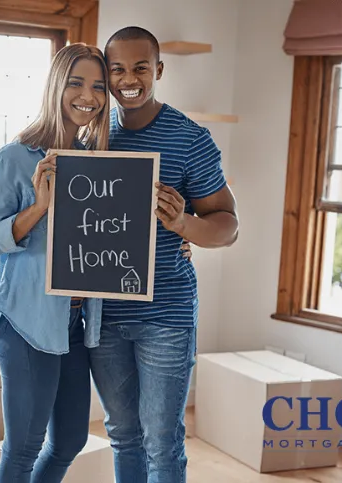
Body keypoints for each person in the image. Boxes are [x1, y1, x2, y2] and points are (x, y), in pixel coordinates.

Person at [86, 26, 240, 483]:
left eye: (140, 67)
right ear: (106, 75)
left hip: (165, 317)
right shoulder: (90, 137)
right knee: (122, 433)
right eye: (117, 69)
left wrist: (184, 225)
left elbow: (228, 226)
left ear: (159, 69)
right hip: (103, 316)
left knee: (161, 442)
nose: (128, 79)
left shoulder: (190, 139)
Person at [0, 42, 110, 483]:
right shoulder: (13, 158)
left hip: (75, 324)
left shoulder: (101, 166)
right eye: (76, 82)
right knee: (24, 445)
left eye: (98, 86)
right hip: (26, 323)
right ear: (56, 86)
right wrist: (38, 208)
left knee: (69, 440)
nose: (87, 95)